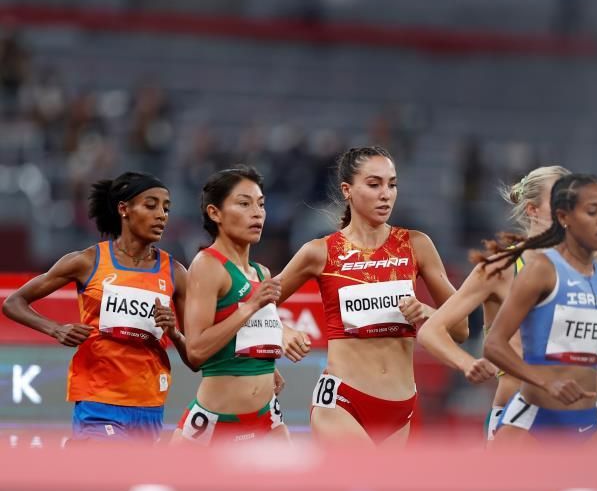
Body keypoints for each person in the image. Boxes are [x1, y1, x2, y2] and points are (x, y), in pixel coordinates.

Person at [276, 146, 467, 445]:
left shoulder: (417, 245)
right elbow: (252, 306)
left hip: (400, 408)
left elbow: (461, 329)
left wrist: (428, 314)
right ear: (347, 190)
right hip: (341, 402)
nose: (386, 194)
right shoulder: (320, 251)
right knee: (363, 487)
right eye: (374, 184)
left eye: (392, 184)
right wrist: (282, 330)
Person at [2, 172, 187, 443]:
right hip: (98, 399)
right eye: (151, 205)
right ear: (124, 209)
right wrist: (55, 329)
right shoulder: (87, 261)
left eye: (166, 208)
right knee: (109, 473)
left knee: (130, 482)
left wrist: (173, 331)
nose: (162, 215)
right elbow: (13, 302)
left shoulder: (176, 272)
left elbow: (194, 356)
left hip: (149, 402)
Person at [418, 166, 570, 441]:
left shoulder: (584, 271)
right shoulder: (502, 267)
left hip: (573, 417)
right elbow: (431, 330)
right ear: (532, 210)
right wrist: (466, 364)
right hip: (518, 414)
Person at [483, 174, 597, 443]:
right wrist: (545, 382)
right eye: (593, 211)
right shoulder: (540, 269)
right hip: (534, 418)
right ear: (564, 217)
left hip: (586, 421)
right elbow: (493, 344)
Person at [174, 166, 293, 446]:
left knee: (294, 490)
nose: (257, 213)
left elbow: (246, 335)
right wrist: (250, 306)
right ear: (215, 213)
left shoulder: (261, 272)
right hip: (214, 424)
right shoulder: (207, 266)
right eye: (244, 203)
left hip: (268, 419)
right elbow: (196, 351)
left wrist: (265, 363)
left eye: (261, 204)